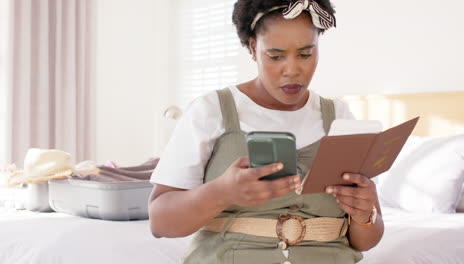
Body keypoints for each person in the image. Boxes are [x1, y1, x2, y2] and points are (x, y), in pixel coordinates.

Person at [148, 0, 384, 263]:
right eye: (276, 56)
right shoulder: (211, 110)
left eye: (306, 54)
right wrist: (221, 192)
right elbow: (159, 222)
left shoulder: (339, 117)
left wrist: (365, 214)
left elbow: (366, 240)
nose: (293, 70)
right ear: (253, 47)